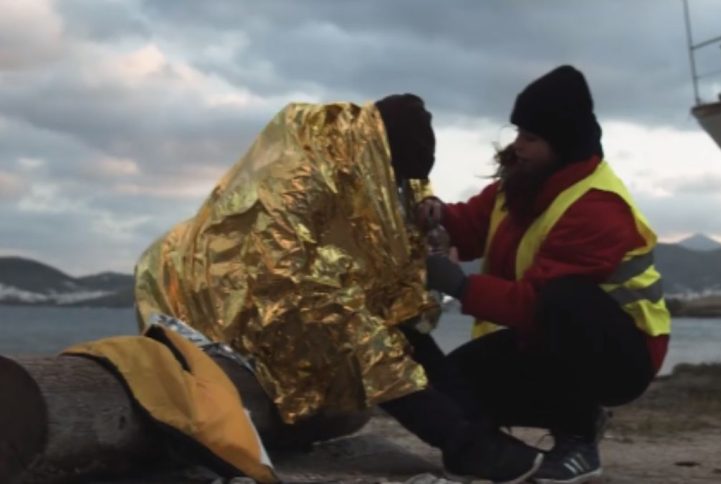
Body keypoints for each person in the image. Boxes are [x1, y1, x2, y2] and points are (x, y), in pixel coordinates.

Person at [135, 94, 543, 483]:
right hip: (207, 293)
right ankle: (464, 445)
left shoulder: (382, 168)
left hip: (304, 281)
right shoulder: (301, 174)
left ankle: (479, 435)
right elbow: (293, 284)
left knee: (404, 329)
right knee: (365, 342)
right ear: (382, 158)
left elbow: (389, 286)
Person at [417, 65, 672, 483]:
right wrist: (437, 213)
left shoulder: (597, 207)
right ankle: (507, 453)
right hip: (545, 338)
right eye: (518, 133)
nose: (517, 147)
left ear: (562, 143)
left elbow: (537, 304)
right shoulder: (522, 183)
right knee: (448, 386)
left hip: (621, 355)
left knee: (563, 299)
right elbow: (471, 223)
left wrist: (458, 285)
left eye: (530, 138)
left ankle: (578, 440)